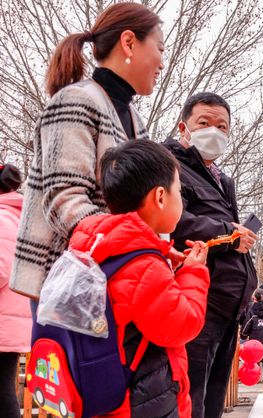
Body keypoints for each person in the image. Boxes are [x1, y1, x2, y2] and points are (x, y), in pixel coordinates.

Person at [10, 3, 166, 300]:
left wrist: (155, 250)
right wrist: (134, 244)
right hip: (67, 284)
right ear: (129, 42)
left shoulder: (135, 118)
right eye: (160, 48)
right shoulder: (75, 100)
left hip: (112, 278)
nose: (162, 63)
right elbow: (64, 199)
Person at [69, 140, 210, 417]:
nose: (181, 200)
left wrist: (162, 257)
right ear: (160, 197)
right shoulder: (144, 265)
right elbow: (183, 323)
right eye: (179, 191)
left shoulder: (94, 246)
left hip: (101, 388)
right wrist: (193, 272)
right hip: (143, 398)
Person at [164, 92, 258, 418]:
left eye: (222, 126)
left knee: (214, 397)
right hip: (198, 299)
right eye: (204, 123)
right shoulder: (169, 166)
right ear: (183, 127)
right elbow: (175, 221)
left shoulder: (221, 179)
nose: (214, 132)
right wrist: (229, 234)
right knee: (192, 396)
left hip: (229, 307)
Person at [0, 165, 31, 417]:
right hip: (10, 321)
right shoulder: (17, 216)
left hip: (3, 322)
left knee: (2, 392)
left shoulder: (1, 218)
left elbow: (1, 268)